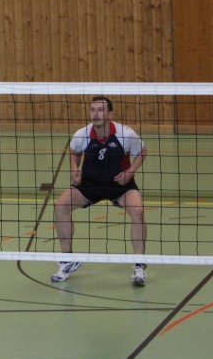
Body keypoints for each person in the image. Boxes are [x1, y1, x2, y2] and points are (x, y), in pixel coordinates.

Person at [51, 95, 148, 286]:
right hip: (90, 183)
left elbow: (142, 152)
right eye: (93, 110)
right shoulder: (82, 134)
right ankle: (67, 260)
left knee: (138, 211)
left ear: (110, 114)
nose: (95, 114)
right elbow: (74, 152)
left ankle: (139, 266)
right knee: (60, 205)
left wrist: (130, 172)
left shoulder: (125, 134)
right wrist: (74, 169)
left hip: (119, 184)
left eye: (100, 110)